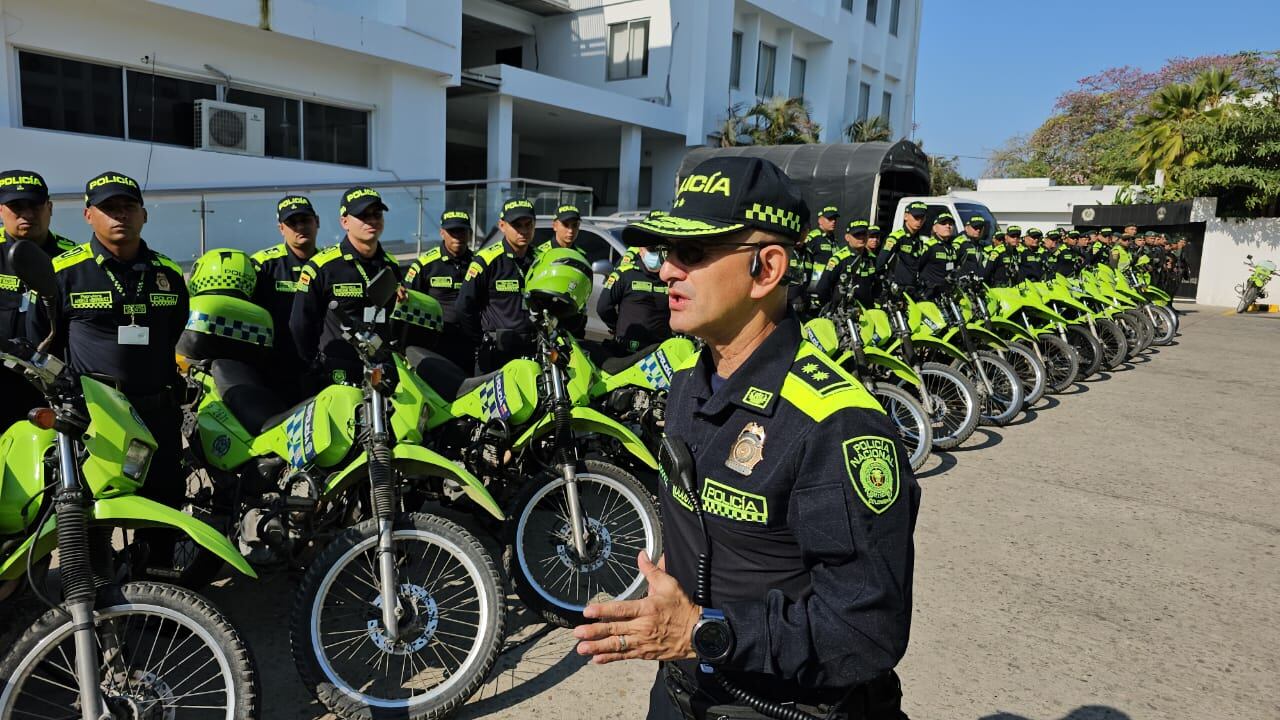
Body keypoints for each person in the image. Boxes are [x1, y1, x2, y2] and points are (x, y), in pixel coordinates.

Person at [573, 155, 919, 720]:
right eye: (666, 254)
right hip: (684, 695)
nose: (666, 272)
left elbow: (866, 630)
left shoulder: (837, 423)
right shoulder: (688, 384)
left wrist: (703, 634)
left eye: (692, 254)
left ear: (767, 268)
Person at [45, 171, 190, 567]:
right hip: (97, 418)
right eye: (109, 208)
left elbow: (174, 328)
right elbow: (46, 345)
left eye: (128, 207)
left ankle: (156, 592)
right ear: (88, 215)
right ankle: (97, 594)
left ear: (144, 215)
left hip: (156, 411)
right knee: (93, 512)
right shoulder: (63, 272)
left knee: (163, 505)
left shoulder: (169, 275)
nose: (120, 216)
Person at [291, 186, 402, 388]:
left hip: (382, 368)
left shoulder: (391, 266)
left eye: (377, 214)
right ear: (344, 222)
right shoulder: (321, 266)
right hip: (336, 371)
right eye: (363, 215)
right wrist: (313, 363)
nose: (372, 221)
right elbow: (300, 324)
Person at [0, 169, 77, 428]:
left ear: (50, 208)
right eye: (16, 207)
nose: (28, 215)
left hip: (53, 390)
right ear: (0, 210)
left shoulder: (74, 259)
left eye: (35, 205)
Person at [456, 198, 538, 372]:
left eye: (528, 224)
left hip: (534, 348)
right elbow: (464, 306)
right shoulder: (486, 260)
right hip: (497, 351)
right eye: (517, 225)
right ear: (502, 226)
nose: (523, 231)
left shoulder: (541, 259)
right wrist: (481, 339)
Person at [250, 194, 319, 398]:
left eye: (305, 220)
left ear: (317, 222)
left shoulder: (329, 265)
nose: (300, 227)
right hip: (273, 370)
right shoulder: (262, 264)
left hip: (318, 368)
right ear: (281, 228)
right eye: (292, 222)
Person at [405, 209, 477, 371]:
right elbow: (408, 301)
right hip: (435, 343)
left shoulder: (478, 263)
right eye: (452, 232)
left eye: (462, 231)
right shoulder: (425, 264)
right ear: (442, 233)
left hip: (470, 343)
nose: (457, 236)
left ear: (470, 234)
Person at [597, 245, 671, 353]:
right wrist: (616, 326)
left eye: (658, 250)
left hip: (660, 351)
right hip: (627, 350)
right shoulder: (625, 274)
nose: (655, 254)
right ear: (640, 251)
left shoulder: (670, 277)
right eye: (651, 250)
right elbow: (603, 307)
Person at [815, 219, 879, 309]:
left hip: (867, 311)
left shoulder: (872, 258)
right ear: (847, 237)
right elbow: (822, 288)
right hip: (844, 313)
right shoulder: (838, 259)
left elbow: (877, 285)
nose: (861, 238)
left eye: (864, 234)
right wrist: (829, 307)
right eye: (857, 235)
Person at [877, 201, 929, 292]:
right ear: (906, 216)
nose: (919, 221)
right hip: (897, 288)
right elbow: (880, 263)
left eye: (922, 217)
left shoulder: (920, 240)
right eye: (916, 217)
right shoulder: (896, 237)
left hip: (913, 288)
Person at [915, 213, 958, 300]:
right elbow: (916, 266)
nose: (948, 226)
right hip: (930, 293)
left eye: (950, 224)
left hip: (947, 293)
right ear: (935, 228)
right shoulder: (929, 246)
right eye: (943, 224)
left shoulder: (952, 247)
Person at [954, 216, 991, 282]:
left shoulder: (982, 244)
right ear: (966, 228)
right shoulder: (959, 243)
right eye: (975, 227)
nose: (978, 230)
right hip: (962, 285)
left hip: (977, 284)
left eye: (980, 228)